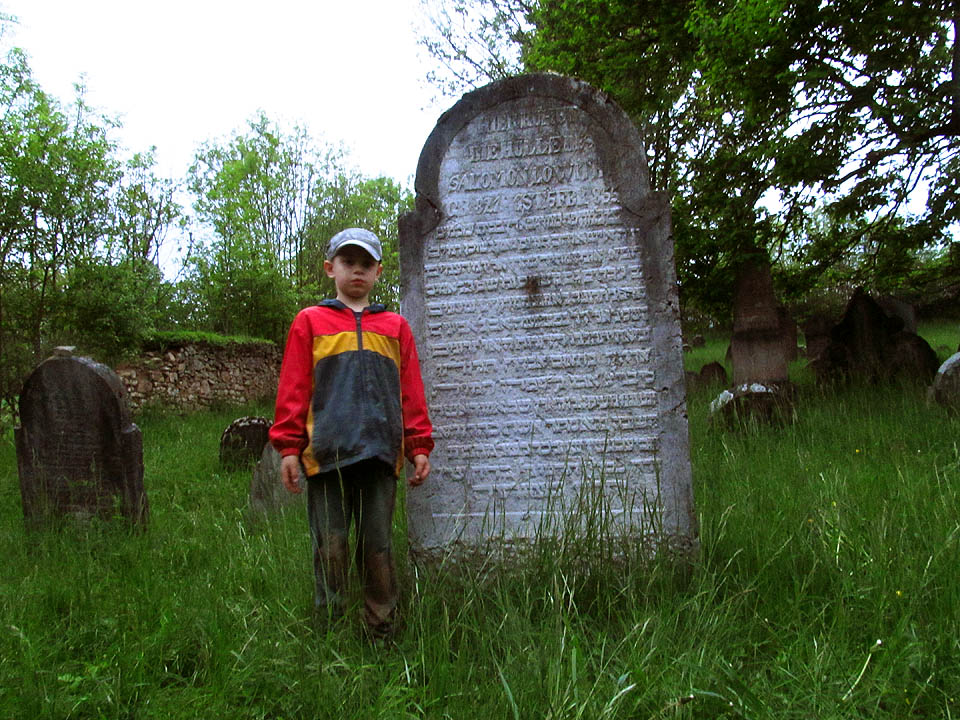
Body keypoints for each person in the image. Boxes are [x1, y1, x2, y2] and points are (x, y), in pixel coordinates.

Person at [269, 227, 433, 640]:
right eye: (348, 262)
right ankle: (332, 630)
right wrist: (288, 448)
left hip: (379, 453)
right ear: (330, 268)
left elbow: (411, 391)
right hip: (326, 455)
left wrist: (418, 444)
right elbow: (293, 388)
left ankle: (381, 629)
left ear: (378, 272)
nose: (357, 270)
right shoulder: (310, 322)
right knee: (331, 545)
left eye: (366, 264)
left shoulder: (396, 327)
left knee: (377, 546)